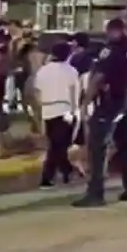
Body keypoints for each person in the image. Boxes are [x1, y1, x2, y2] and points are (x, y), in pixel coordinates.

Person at [73, 18, 127, 207]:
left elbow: (99, 76)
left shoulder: (111, 50)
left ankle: (95, 194)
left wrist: (86, 101)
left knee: (97, 145)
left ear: (114, 30)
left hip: (111, 99)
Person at [35, 42, 80, 188]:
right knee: (58, 146)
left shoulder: (43, 71)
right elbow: (75, 94)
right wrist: (75, 113)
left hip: (47, 111)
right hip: (65, 110)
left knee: (56, 145)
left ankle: (64, 171)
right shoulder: (71, 71)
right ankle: (51, 175)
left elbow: (37, 92)